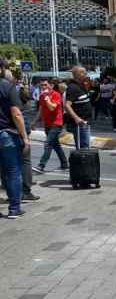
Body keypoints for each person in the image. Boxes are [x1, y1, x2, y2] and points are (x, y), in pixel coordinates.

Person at [0, 59, 31, 218]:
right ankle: (14, 208)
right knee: (13, 172)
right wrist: (25, 137)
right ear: (2, 68)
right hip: (6, 134)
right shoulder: (8, 86)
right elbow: (16, 113)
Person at [32, 79, 69, 173]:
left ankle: (41, 165)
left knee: (48, 143)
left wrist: (47, 98)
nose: (43, 87)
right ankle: (64, 164)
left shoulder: (56, 95)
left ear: (51, 85)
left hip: (56, 123)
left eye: (45, 85)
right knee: (56, 145)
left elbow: (52, 107)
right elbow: (40, 110)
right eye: (41, 85)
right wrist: (34, 122)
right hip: (47, 124)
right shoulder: (41, 96)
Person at [17, 86, 39, 202]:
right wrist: (26, 137)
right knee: (26, 161)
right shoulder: (21, 109)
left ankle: (14, 190)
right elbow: (24, 125)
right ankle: (25, 190)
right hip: (19, 137)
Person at [64, 66, 93, 149]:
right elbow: (67, 105)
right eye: (82, 72)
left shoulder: (82, 86)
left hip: (85, 122)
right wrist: (76, 118)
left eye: (85, 72)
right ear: (76, 75)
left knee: (85, 147)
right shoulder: (73, 87)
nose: (85, 73)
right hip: (80, 124)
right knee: (83, 149)